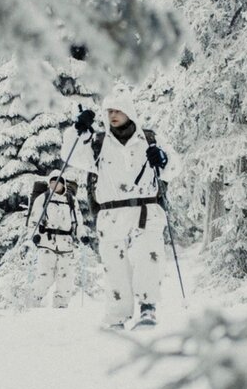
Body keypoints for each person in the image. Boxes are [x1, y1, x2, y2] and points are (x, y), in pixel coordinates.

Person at [61, 93, 178, 329]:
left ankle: (148, 308)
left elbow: (174, 166)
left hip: (146, 209)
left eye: (117, 110)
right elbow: (70, 155)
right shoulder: (97, 143)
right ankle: (117, 316)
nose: (112, 115)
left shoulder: (150, 138)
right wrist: (78, 130)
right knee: (114, 265)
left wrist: (163, 160)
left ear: (128, 110)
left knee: (148, 257)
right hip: (111, 214)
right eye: (109, 111)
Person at [25, 170, 80, 308]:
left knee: (66, 277)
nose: (55, 186)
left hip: (66, 244)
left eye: (58, 183)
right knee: (44, 275)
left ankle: (61, 306)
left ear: (63, 185)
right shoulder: (43, 198)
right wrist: (35, 234)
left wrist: (82, 235)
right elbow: (34, 219)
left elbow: (78, 221)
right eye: (52, 183)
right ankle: (33, 303)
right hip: (46, 242)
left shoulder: (71, 201)